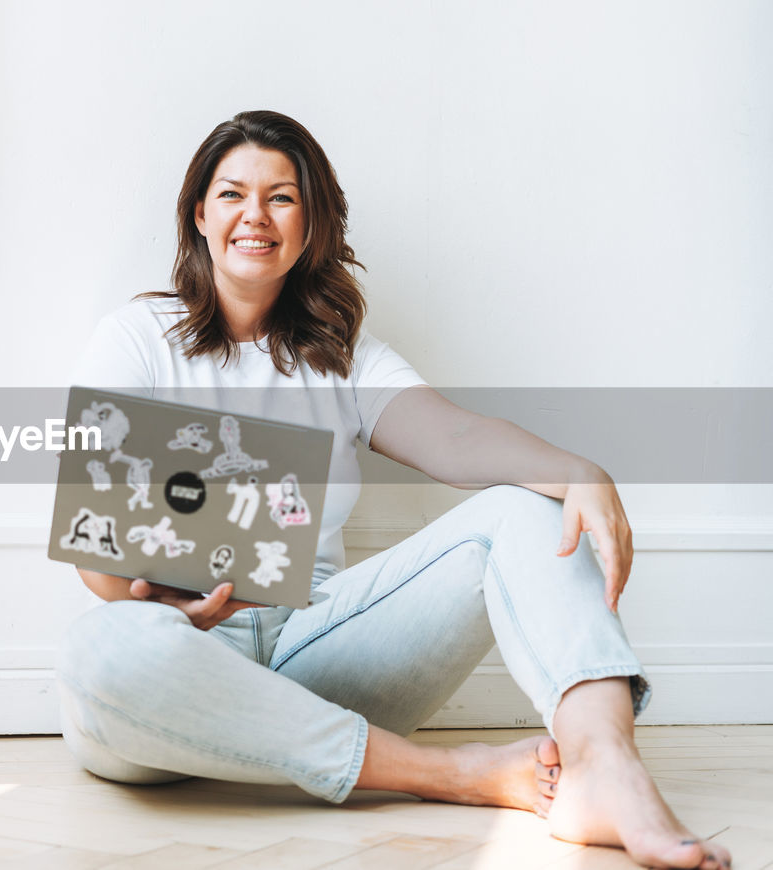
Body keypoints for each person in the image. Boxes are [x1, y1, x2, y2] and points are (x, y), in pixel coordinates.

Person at [57, 110, 730, 870]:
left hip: (315, 649)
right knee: (102, 648)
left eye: (282, 197)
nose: (255, 215)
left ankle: (605, 767)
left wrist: (581, 471)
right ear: (199, 215)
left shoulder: (340, 356)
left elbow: (456, 439)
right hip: (167, 665)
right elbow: (99, 555)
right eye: (232, 194)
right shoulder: (136, 338)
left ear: (311, 222)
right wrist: (154, 603)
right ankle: (452, 777)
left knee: (525, 504)